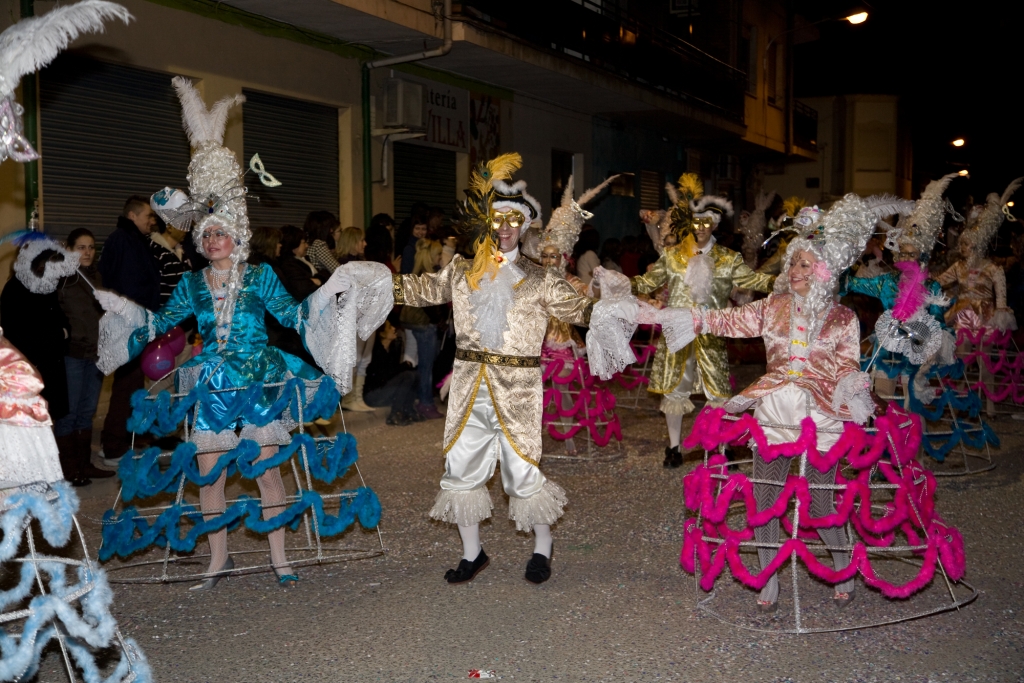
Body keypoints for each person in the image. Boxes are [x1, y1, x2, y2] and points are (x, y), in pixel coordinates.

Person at [94, 77, 361, 590]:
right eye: (207, 233)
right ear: (200, 240)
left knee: (267, 469)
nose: (214, 240)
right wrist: (124, 312)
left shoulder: (260, 275)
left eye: (222, 233)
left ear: (237, 237)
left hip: (259, 379)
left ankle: (281, 557)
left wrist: (333, 298)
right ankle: (219, 559)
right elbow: (161, 322)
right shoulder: (193, 282)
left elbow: (294, 315)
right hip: (212, 385)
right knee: (210, 472)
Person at [391, 153, 638, 585]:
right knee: (460, 469)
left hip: (519, 388)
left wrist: (617, 303)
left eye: (513, 220)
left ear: (525, 227)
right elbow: (420, 288)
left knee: (522, 471)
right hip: (469, 386)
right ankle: (473, 554)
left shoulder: (541, 278)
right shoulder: (463, 270)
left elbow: (581, 310)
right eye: (498, 218)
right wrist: (372, 281)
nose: (505, 227)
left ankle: (543, 547)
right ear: (489, 223)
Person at [661, 193, 895, 611]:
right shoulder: (773, 307)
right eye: (794, 262)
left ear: (825, 269)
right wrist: (689, 317)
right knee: (765, 497)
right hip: (773, 407)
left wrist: (853, 391)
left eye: (805, 263)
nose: (796, 269)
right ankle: (767, 577)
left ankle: (842, 564)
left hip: (822, 412)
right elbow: (727, 320)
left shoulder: (843, 318)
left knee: (822, 501)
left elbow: (845, 365)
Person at [631, 173, 775, 468]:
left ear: (715, 225)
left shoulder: (728, 258)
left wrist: (784, 282)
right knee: (675, 390)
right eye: (695, 222)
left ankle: (722, 445)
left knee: (718, 391)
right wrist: (618, 283)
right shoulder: (672, 257)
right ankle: (673, 448)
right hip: (678, 331)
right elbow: (647, 282)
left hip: (712, 331)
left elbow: (753, 279)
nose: (700, 228)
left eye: (706, 222)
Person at [0, 236, 77, 479]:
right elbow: (19, 333)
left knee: (51, 419)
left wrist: (62, 332)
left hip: (51, 364)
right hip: (29, 370)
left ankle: (53, 472)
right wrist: (57, 334)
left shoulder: (46, 287)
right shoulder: (15, 290)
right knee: (31, 424)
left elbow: (61, 321)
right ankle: (34, 475)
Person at [97, 195, 163, 467]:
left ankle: (125, 437)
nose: (153, 221)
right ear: (132, 216)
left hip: (136, 320)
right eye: (148, 215)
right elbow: (130, 284)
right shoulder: (123, 241)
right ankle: (113, 446)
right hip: (130, 323)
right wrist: (142, 317)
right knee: (126, 384)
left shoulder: (133, 240)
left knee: (133, 384)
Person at [54, 229, 115, 484]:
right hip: (73, 354)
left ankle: (84, 464)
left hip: (96, 354)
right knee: (69, 413)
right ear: (69, 248)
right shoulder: (62, 279)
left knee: (87, 411)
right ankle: (68, 469)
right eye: (81, 247)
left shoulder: (97, 277)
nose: (88, 252)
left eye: (91, 247)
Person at [936, 177, 1021, 332]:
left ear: (977, 246)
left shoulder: (993, 269)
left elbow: (1001, 300)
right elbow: (938, 281)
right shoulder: (959, 267)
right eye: (961, 243)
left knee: (984, 354)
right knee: (962, 351)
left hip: (986, 316)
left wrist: (1000, 314)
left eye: (966, 244)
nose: (961, 247)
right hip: (962, 315)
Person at [400, 238, 446, 419]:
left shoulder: (416, 273)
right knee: (426, 367)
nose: (440, 258)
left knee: (421, 364)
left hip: (415, 323)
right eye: (438, 254)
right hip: (425, 324)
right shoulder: (427, 276)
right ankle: (425, 403)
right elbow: (430, 306)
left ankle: (420, 400)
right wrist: (440, 321)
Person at [363, 317, 420, 425]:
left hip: (383, 389)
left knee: (415, 375)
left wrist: (404, 367)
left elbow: (393, 372)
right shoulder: (376, 352)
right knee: (407, 376)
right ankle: (395, 414)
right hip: (373, 395)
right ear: (382, 334)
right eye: (390, 327)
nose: (394, 329)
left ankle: (408, 410)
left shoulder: (392, 348)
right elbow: (385, 376)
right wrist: (403, 367)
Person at [148, 215, 193, 307]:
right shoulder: (155, 251)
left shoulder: (181, 251)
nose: (186, 230)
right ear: (169, 227)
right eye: (182, 226)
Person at [278, 225, 322, 302]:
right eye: (303, 242)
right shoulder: (288, 265)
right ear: (293, 245)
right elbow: (303, 287)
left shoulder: (304, 259)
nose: (307, 245)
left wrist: (318, 279)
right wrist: (317, 281)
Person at [304, 210, 342, 274]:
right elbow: (338, 270)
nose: (331, 230)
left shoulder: (307, 241)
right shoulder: (318, 244)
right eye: (330, 227)